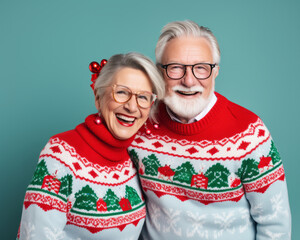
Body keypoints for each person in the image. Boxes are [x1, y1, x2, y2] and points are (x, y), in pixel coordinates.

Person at [129, 20, 291, 239]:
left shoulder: (249, 133)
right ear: (159, 73)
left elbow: (275, 224)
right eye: (175, 68)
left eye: (201, 68)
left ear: (215, 72)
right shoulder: (139, 125)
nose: (188, 80)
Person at [17, 52, 165, 240]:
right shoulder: (60, 154)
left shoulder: (136, 155)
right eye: (121, 92)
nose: (132, 107)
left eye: (143, 97)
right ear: (98, 96)